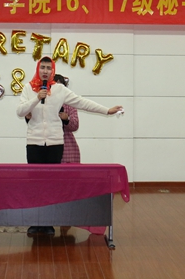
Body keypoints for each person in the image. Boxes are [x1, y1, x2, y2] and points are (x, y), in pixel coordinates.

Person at [16, 56, 123, 235]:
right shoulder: (28, 88)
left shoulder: (60, 90)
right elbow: (20, 111)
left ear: (53, 71)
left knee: (51, 185)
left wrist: (107, 110)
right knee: (35, 184)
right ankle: (36, 221)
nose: (45, 71)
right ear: (37, 69)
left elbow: (82, 102)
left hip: (55, 144)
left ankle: (48, 223)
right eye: (42, 67)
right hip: (34, 143)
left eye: (48, 68)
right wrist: (36, 98)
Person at [53, 74, 81, 164]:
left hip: (67, 148)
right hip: (48, 148)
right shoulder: (43, 102)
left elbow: (75, 125)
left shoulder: (69, 103)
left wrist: (67, 119)